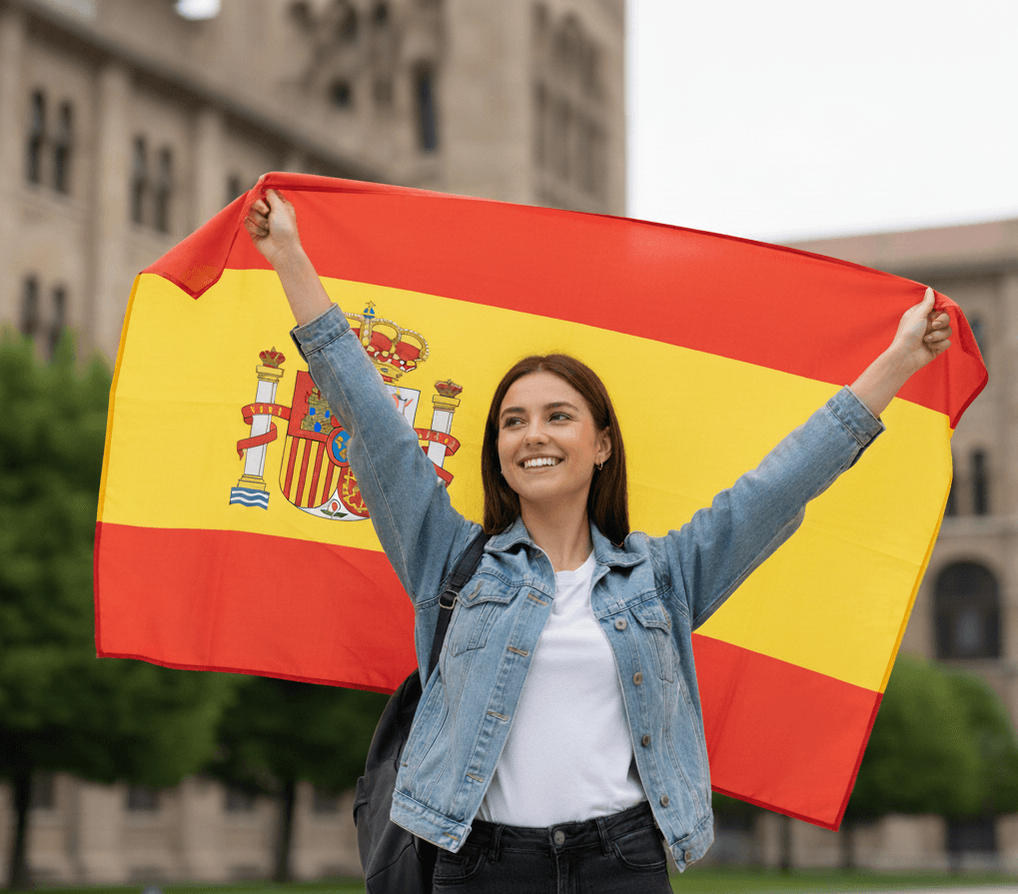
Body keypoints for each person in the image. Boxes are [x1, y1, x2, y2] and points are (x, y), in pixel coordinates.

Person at [245, 188, 952, 892]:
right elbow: (371, 424)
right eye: (513, 422)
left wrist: (898, 361)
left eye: (559, 416)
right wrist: (291, 260)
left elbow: (778, 487)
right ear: (497, 452)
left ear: (602, 443)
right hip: (482, 867)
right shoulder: (448, 560)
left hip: (624, 862)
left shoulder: (662, 578)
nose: (535, 435)